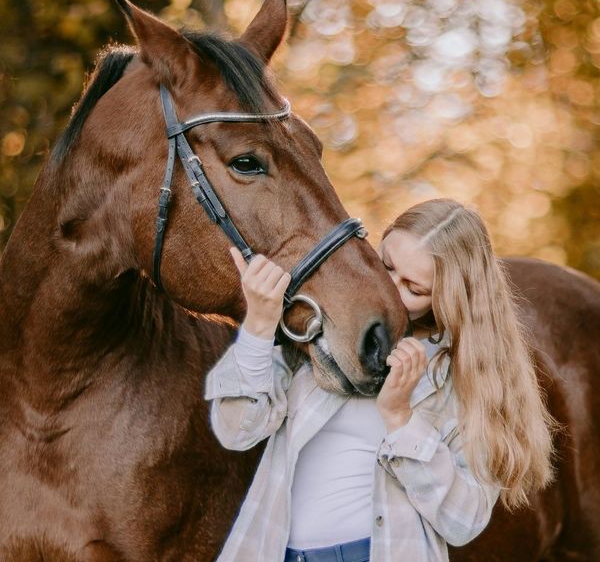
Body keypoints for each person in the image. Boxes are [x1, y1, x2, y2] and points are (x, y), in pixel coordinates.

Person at [204, 198, 554, 562]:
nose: (388, 287)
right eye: (384, 265)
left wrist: (402, 419)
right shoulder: (326, 330)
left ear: (448, 298)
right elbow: (236, 431)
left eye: (412, 288)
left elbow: (464, 522)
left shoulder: (468, 381)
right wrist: (258, 326)